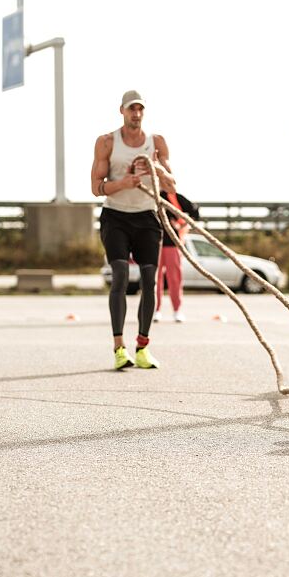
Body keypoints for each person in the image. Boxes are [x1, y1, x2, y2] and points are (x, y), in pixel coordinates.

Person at [91, 90, 177, 370]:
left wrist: (155, 168)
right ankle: (119, 348)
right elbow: (96, 188)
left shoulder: (157, 142)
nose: (136, 114)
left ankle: (142, 347)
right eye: (131, 109)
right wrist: (122, 183)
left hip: (146, 217)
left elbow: (171, 184)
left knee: (150, 281)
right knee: (121, 275)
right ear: (122, 111)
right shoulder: (106, 142)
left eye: (140, 109)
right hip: (116, 217)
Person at [154, 190, 199, 324]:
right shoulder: (150, 194)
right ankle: (156, 310)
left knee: (174, 277)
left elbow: (195, 211)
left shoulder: (174, 197)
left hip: (172, 243)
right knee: (155, 278)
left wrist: (182, 225)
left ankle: (177, 310)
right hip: (154, 242)